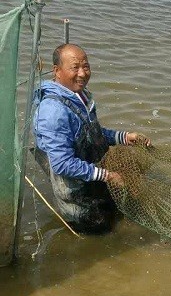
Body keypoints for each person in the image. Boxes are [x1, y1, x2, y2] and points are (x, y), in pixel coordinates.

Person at [33, 43, 150, 233]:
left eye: (85, 66)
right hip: (76, 193)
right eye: (75, 67)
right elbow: (62, 164)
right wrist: (107, 175)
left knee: (116, 214)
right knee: (100, 233)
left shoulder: (78, 95)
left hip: (91, 175)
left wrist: (124, 137)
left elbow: (90, 132)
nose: (82, 73)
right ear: (57, 71)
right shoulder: (53, 111)